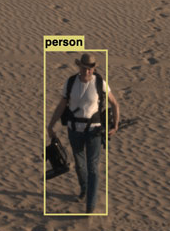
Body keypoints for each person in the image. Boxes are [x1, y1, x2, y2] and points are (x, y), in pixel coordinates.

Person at [47, 52, 119, 213]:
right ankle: (84, 190)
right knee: (80, 165)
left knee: (92, 168)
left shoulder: (100, 83)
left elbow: (114, 103)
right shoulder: (71, 82)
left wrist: (115, 125)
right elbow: (61, 105)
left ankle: (90, 206)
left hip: (94, 132)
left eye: (90, 68)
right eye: (84, 68)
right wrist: (50, 125)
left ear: (94, 69)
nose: (87, 71)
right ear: (79, 66)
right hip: (74, 131)